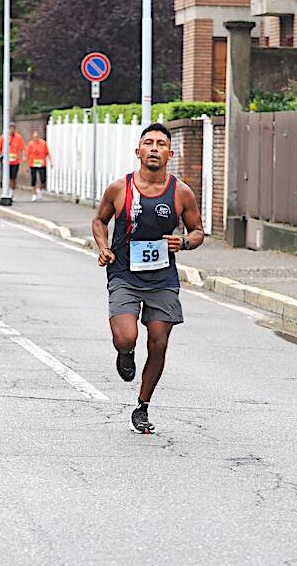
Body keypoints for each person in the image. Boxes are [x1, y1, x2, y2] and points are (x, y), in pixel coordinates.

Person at [92, 123, 205, 434]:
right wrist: (103, 248)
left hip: (162, 278)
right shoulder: (119, 188)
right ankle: (125, 354)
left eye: (160, 144)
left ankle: (142, 406)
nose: (154, 148)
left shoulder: (181, 192)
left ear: (170, 153)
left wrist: (182, 242)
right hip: (125, 274)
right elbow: (99, 220)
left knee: (159, 343)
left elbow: (198, 232)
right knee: (126, 336)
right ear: (138, 151)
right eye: (148, 143)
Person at [0, 123, 25, 197]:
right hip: (5, 160)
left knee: (13, 177)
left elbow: (23, 148)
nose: (12, 130)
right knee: (6, 176)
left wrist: (23, 156)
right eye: (10, 128)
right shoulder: (3, 137)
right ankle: (5, 190)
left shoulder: (18, 138)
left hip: (15, 161)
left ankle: (11, 191)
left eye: (13, 128)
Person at [26, 131, 51, 201]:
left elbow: (47, 153)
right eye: (34, 137)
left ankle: (39, 189)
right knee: (33, 179)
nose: (36, 138)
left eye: (37, 137)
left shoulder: (43, 143)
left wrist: (51, 162)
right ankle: (34, 194)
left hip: (41, 163)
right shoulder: (30, 144)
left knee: (43, 178)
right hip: (33, 163)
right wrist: (27, 166)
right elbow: (28, 155)